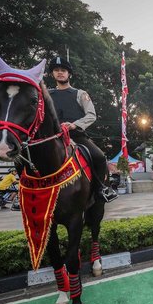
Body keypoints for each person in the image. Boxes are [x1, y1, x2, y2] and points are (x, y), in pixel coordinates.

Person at [48, 56, 117, 202]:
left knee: (99, 157)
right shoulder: (46, 95)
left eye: (63, 70)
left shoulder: (80, 94)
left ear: (69, 74)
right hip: (52, 138)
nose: (60, 73)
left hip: (76, 136)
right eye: (56, 70)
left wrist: (74, 124)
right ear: (52, 73)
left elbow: (91, 115)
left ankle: (102, 188)